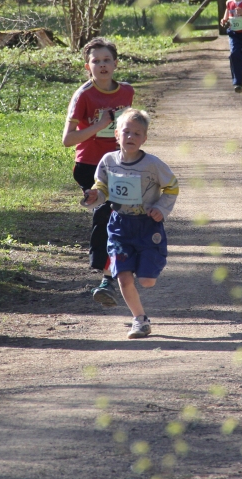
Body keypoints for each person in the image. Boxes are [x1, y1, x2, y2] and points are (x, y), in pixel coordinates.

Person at [82, 109, 179, 339]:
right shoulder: (108, 161)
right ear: (117, 134)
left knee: (147, 281)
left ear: (144, 138)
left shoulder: (153, 164)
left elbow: (172, 187)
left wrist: (161, 209)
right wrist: (95, 196)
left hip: (148, 226)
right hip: (119, 226)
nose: (131, 137)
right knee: (124, 278)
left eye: (137, 133)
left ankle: (147, 261)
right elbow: (102, 188)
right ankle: (140, 320)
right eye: (126, 132)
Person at [62, 37, 134, 307]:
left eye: (107, 60)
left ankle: (109, 277)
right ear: (87, 67)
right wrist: (100, 124)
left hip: (120, 163)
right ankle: (105, 274)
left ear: (115, 64)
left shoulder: (126, 92)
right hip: (90, 166)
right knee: (107, 212)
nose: (102, 65)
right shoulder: (83, 95)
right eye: (96, 61)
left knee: (121, 215)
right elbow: (67, 139)